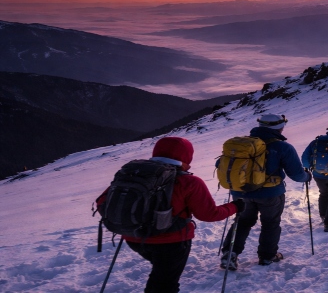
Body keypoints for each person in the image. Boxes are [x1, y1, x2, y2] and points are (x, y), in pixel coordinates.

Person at [96, 137, 240, 293]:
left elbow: (102, 201)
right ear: (187, 156)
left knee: (161, 274)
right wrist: (235, 206)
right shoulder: (190, 182)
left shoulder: (134, 172)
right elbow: (209, 214)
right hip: (172, 242)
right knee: (164, 284)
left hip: (133, 235)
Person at [220, 114, 312, 270]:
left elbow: (221, 164)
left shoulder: (241, 145)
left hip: (241, 193)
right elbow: (296, 174)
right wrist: (307, 177)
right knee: (270, 223)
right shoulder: (282, 147)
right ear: (279, 127)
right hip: (270, 193)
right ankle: (267, 256)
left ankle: (230, 254)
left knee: (242, 222)